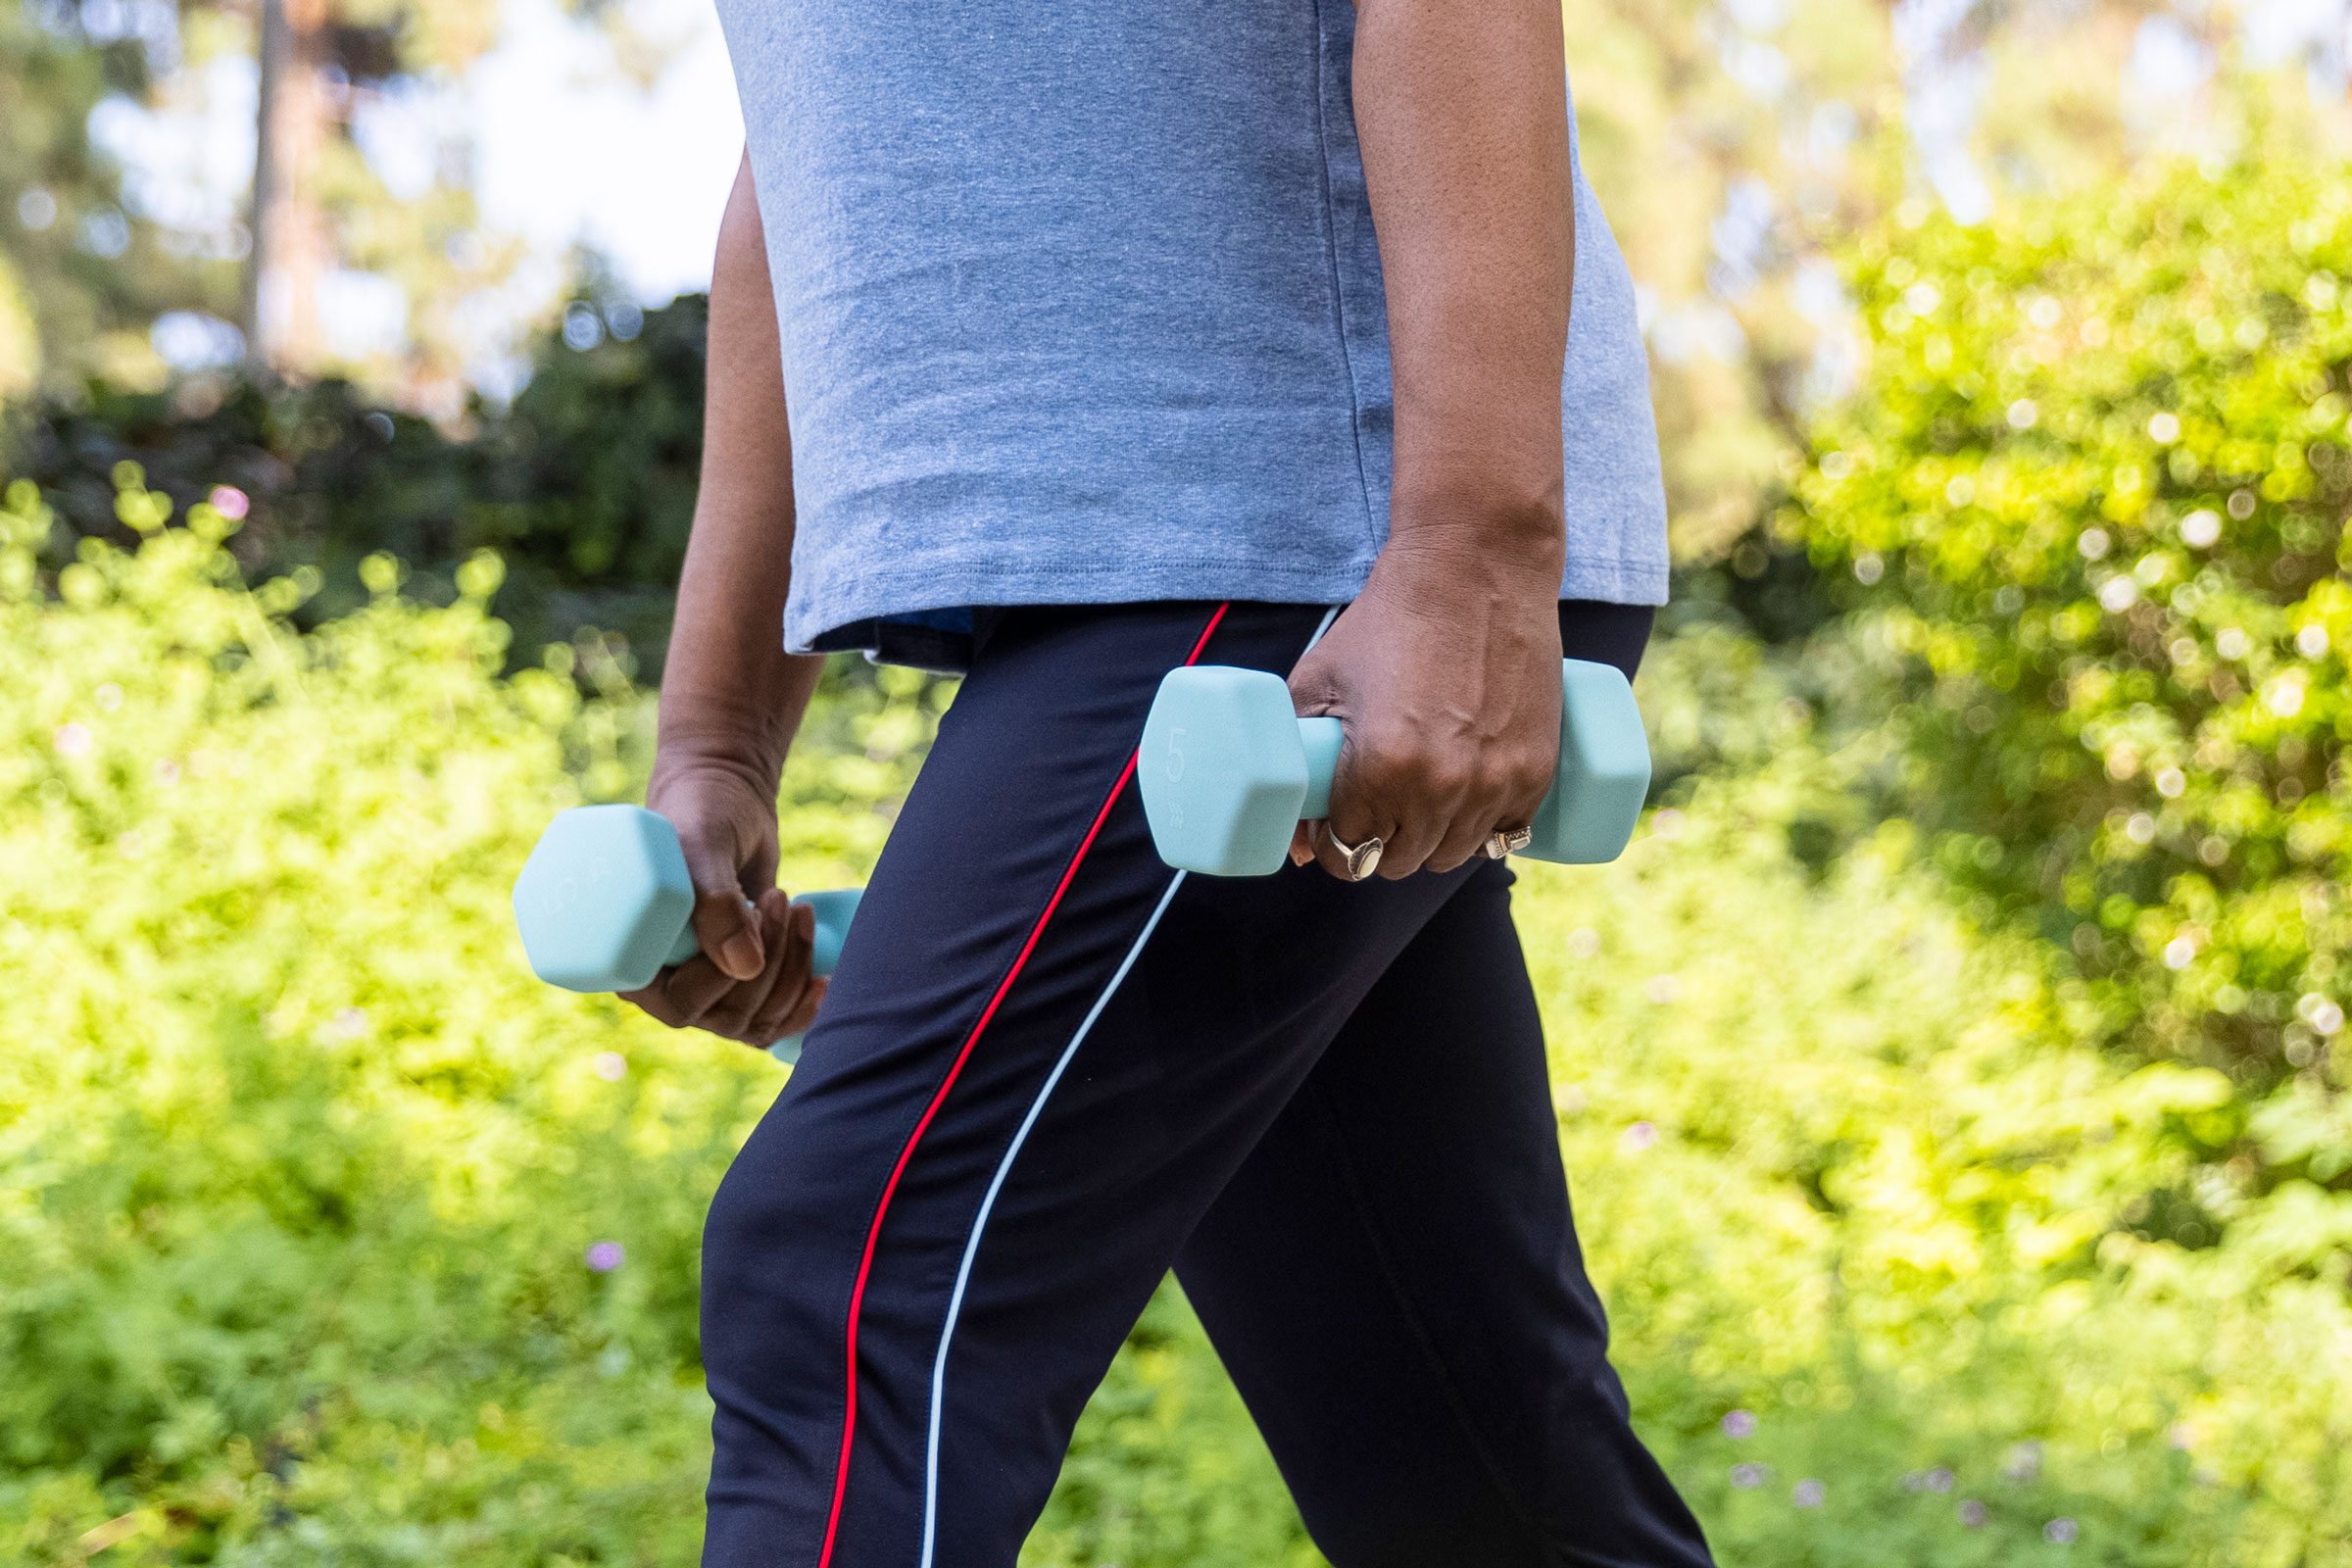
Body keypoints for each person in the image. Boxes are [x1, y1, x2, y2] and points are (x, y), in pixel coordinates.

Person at [623, 0, 1713, 1562]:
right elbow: (816, 143)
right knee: (1450, 1437)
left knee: (859, 1268)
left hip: (1283, 556)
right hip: (1204, 555)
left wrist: (1473, 544)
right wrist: (716, 737)